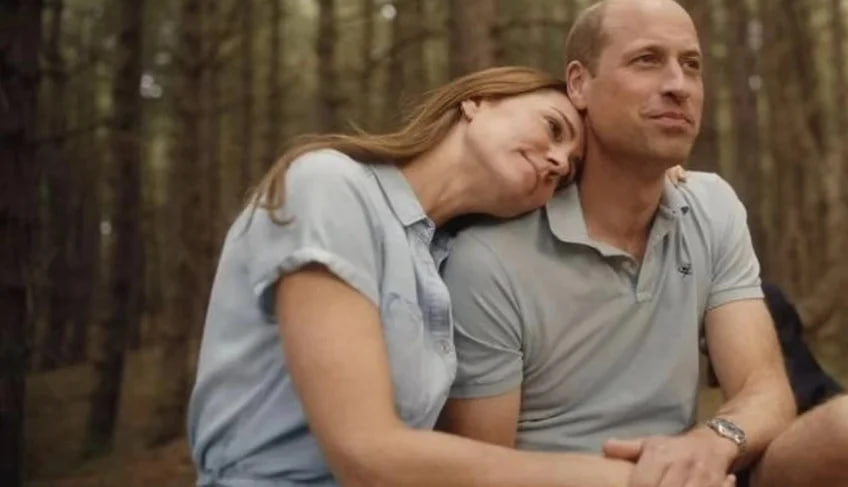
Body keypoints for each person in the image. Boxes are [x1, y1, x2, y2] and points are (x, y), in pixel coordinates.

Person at [439, 0, 848, 487]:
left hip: (699, 473)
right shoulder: (491, 255)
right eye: (647, 60)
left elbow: (765, 391)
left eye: (691, 65)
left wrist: (710, 443)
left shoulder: (710, 207)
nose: (678, 85)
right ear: (579, 83)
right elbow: (482, 473)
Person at [187, 66, 696, 486]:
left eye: (567, 173)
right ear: (478, 101)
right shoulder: (330, 186)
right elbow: (366, 455)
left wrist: (644, 175)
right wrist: (625, 480)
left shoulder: (447, 262)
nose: (558, 160)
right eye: (554, 128)